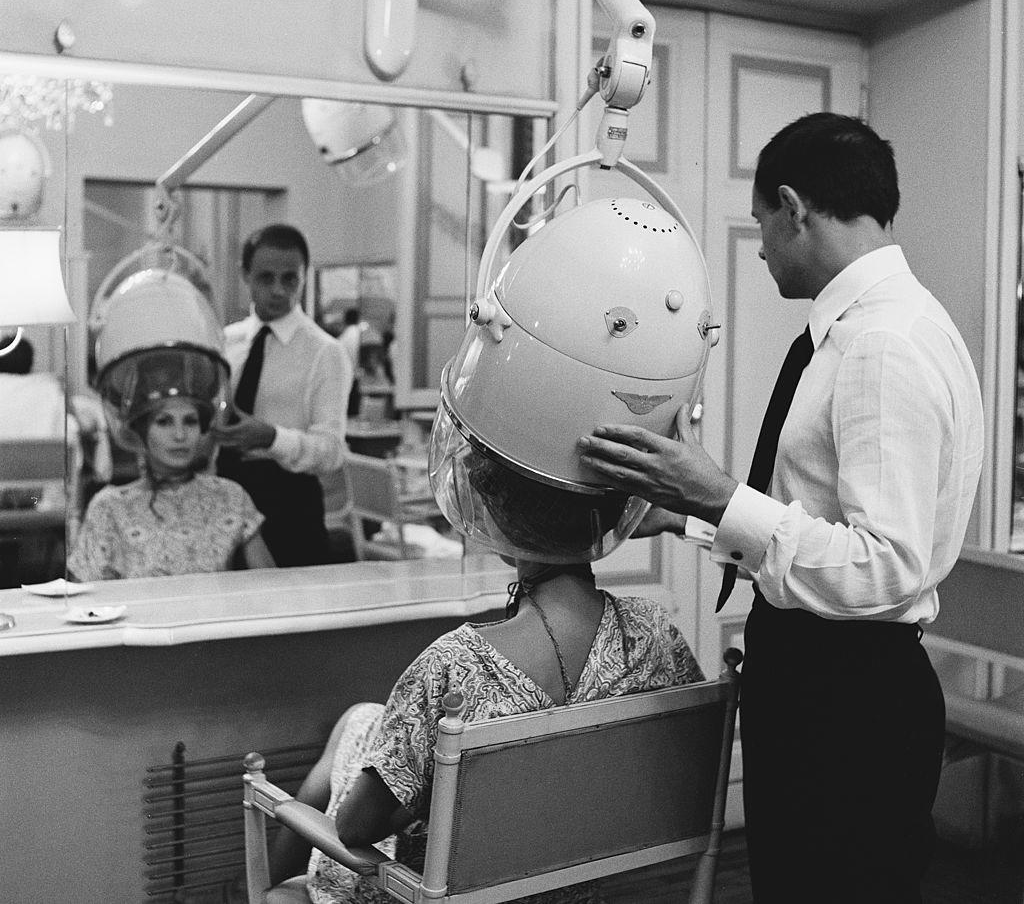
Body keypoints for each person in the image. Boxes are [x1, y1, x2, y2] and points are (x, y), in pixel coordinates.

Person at [576, 112, 985, 903]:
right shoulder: (873, 329)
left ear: (794, 207)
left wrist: (723, 494)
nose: (759, 246)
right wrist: (690, 513)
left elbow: (885, 565)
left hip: (848, 701)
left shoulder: (881, 344)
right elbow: (819, 514)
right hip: (828, 683)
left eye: (761, 222)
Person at [262, 455, 705, 904]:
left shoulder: (452, 666)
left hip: (445, 893)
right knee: (361, 720)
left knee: (284, 891)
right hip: (568, 886)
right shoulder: (654, 635)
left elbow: (356, 829)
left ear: (503, 530)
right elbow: (687, 768)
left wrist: (415, 799)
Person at [214, 223, 353, 567]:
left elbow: (332, 452)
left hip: (289, 506)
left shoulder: (325, 352)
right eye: (265, 278)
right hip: (223, 498)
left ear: (304, 277)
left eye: (290, 279)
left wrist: (272, 438)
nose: (278, 291)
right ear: (245, 275)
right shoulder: (224, 343)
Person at [68, 394, 274, 580]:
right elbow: (85, 601)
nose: (179, 435)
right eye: (164, 421)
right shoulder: (110, 506)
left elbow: (271, 585)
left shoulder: (229, 495)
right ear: (140, 431)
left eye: (190, 421)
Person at [338, 307, 362, 418]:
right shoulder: (361, 335)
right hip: (357, 379)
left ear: (345, 320)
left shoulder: (342, 339)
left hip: (345, 380)